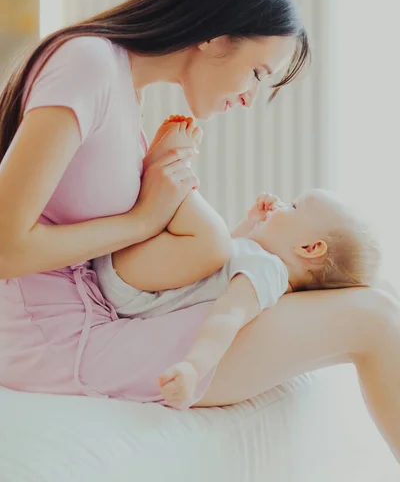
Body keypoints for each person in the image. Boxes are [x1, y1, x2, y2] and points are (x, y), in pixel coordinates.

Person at [0, 0, 399, 463]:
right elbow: (7, 248)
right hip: (62, 340)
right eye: (257, 71)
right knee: (376, 318)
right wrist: (141, 219)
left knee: (376, 293)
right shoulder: (88, 63)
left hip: (98, 321)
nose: (250, 97)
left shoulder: (126, 92)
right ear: (214, 36)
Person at [93, 115, 381, 408]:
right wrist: (250, 223)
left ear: (309, 248)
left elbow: (226, 317)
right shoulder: (259, 262)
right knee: (209, 239)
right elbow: (220, 260)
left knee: (207, 232)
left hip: (136, 289)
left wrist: (194, 367)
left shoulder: (269, 272)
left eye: (293, 206)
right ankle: (163, 171)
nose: (281, 204)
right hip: (131, 277)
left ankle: (168, 166)